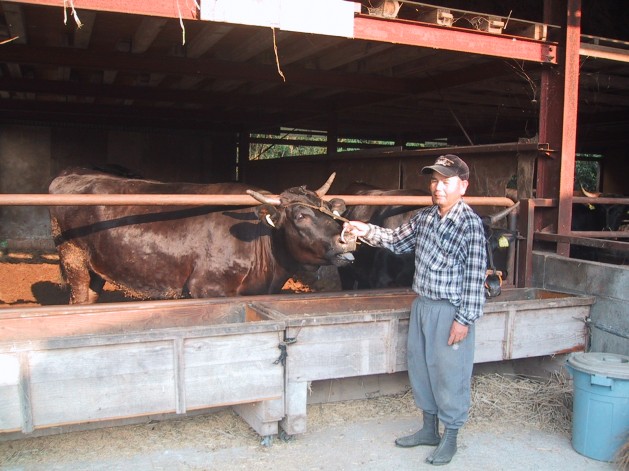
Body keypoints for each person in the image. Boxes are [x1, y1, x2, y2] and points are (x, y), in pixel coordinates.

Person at [343, 154, 487, 466]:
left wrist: (464, 321)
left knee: (450, 374)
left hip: (450, 311)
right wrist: (363, 228)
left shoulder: (470, 225)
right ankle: (428, 429)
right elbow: (394, 240)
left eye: (445, 181)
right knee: (421, 368)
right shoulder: (425, 218)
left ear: (463, 186)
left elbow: (476, 279)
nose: (438, 187)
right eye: (434, 180)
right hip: (422, 305)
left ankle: (450, 436)